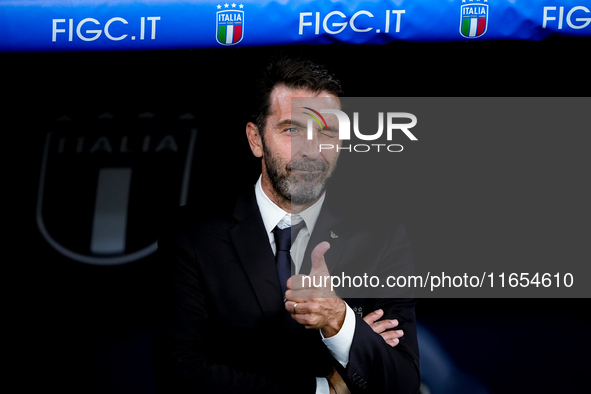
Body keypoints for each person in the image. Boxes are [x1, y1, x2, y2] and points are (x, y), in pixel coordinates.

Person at [152, 56, 419, 393]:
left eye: (327, 131)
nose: (311, 150)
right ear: (255, 139)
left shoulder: (380, 235)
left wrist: (338, 319)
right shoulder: (192, 235)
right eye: (292, 129)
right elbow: (181, 378)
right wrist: (324, 388)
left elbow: (402, 383)